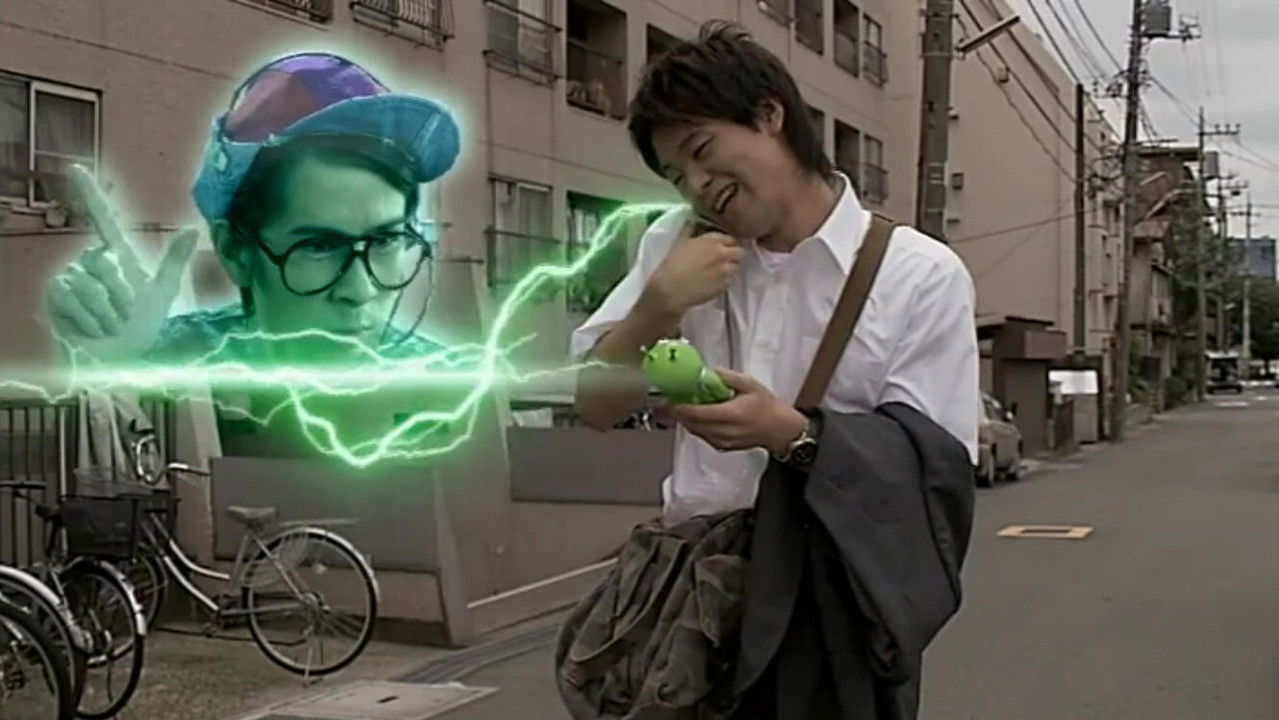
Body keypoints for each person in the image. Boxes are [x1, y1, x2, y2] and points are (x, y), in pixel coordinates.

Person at [562, 21, 979, 720]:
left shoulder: (918, 274)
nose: (698, 186)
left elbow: (935, 470)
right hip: (691, 603)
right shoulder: (676, 245)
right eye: (676, 176)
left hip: (827, 610)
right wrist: (657, 306)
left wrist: (789, 433)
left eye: (702, 151)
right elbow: (594, 406)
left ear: (768, 114)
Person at [43, 52, 461, 459]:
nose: (361, 290)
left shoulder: (448, 385)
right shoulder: (177, 360)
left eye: (385, 241)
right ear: (236, 252)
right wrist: (110, 378)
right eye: (318, 246)